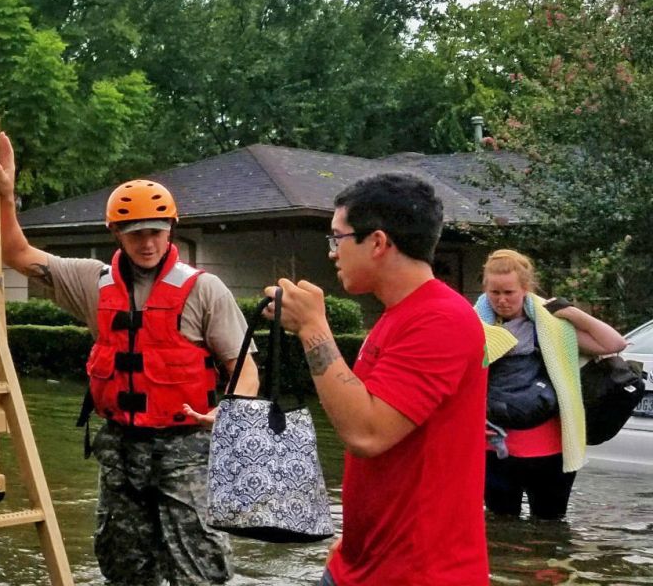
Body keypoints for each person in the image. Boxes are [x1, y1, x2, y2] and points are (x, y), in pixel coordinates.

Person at [0, 132, 255, 586]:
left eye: (155, 231)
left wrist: (231, 411)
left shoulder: (204, 290)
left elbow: (245, 369)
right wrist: (6, 195)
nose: (147, 243)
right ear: (116, 233)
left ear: (171, 228)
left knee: (200, 569)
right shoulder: (90, 282)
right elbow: (16, 253)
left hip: (187, 450)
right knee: (124, 567)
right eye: (135, 234)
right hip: (121, 450)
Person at [266, 172, 488, 586]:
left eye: (338, 238)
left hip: (419, 572)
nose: (332, 252)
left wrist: (313, 327)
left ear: (378, 242)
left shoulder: (442, 319)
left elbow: (367, 433)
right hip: (360, 562)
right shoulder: (400, 314)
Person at [478, 248, 626, 520]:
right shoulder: (473, 327)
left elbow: (614, 343)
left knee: (550, 528)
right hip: (494, 449)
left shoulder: (553, 328)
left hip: (549, 449)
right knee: (500, 528)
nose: (501, 300)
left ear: (525, 289)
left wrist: (572, 313)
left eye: (509, 292)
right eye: (494, 293)